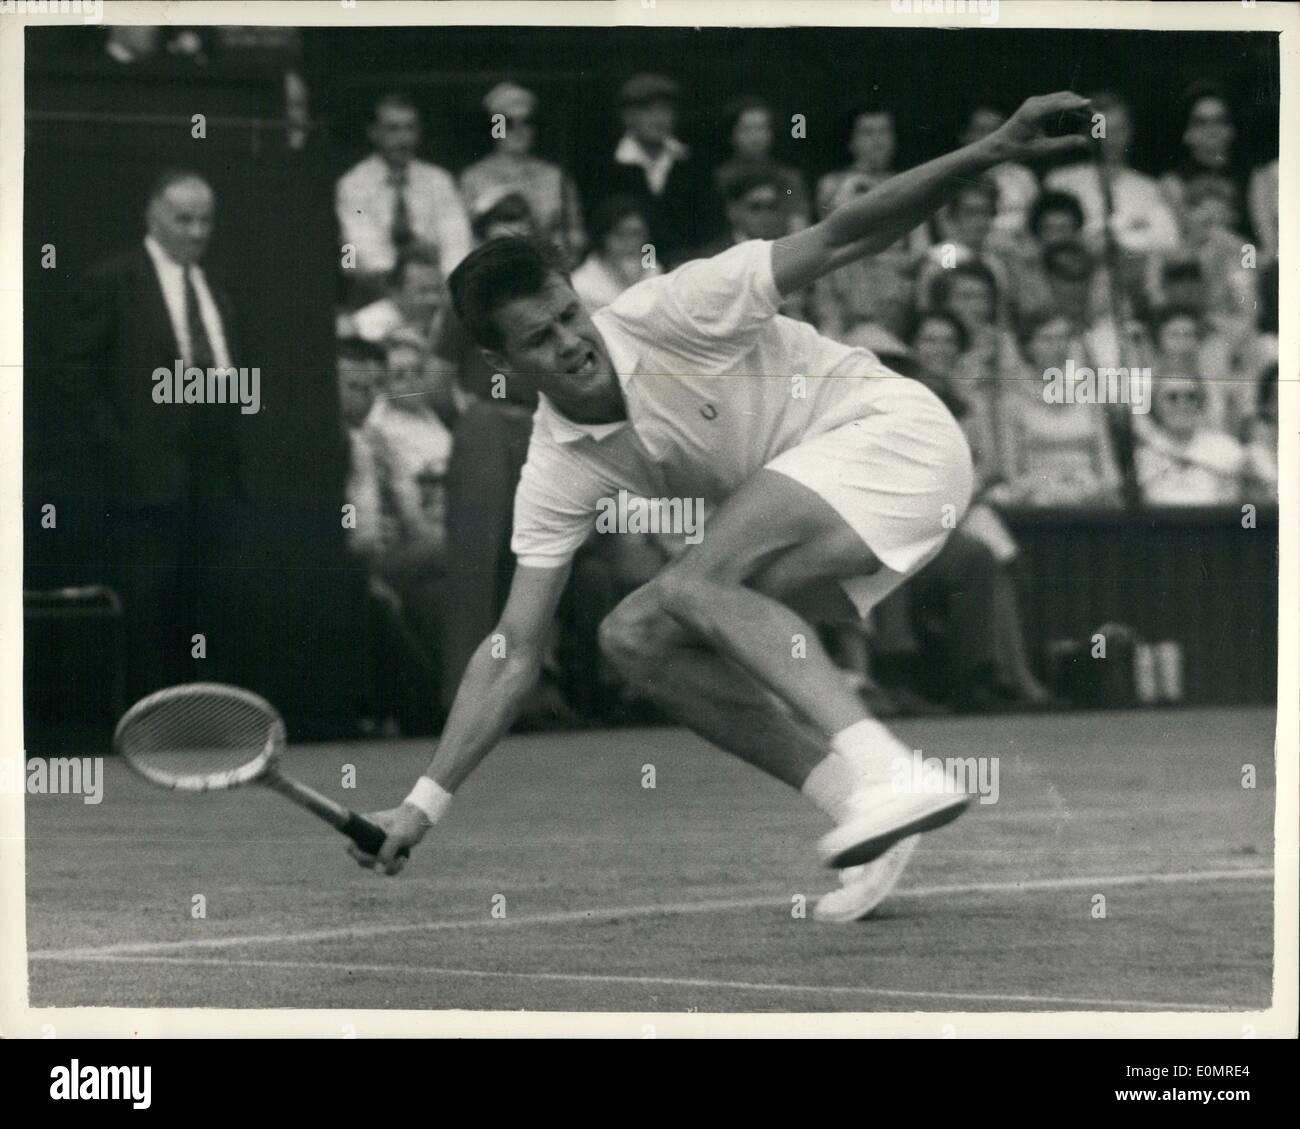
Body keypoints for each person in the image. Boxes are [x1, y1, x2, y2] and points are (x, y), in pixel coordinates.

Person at [348, 93, 1093, 923]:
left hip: (898, 433)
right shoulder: (556, 466)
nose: (571, 342)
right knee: (635, 636)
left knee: (694, 582)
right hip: (839, 499)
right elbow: (512, 649)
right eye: (539, 339)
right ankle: (864, 810)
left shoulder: (674, 306)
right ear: (502, 362)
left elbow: (849, 233)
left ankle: (890, 768)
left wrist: (989, 149)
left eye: (570, 314)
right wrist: (420, 806)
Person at [61, 169, 248, 701]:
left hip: (213, 476)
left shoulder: (216, 284)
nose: (196, 232)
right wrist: (119, 444)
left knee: (211, 604)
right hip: (143, 480)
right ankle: (146, 726)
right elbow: (74, 373)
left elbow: (233, 368)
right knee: (147, 606)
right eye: (183, 219)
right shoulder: (113, 281)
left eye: (205, 220)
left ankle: (210, 715)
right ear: (153, 217)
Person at [335, 91, 472, 300]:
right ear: (373, 133)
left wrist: (442, 290)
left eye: (410, 128)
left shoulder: (439, 180)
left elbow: (457, 245)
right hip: (375, 292)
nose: (404, 138)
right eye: (393, 129)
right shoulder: (353, 184)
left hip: (438, 291)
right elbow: (365, 253)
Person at [460, 82, 585, 263]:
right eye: (508, 123)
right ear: (495, 127)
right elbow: (465, 239)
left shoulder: (555, 177)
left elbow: (575, 235)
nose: (519, 131)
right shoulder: (472, 178)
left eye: (526, 122)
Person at [596, 73, 702, 268]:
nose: (659, 119)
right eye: (649, 111)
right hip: (630, 268)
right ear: (628, 117)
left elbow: (705, 224)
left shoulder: (689, 163)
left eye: (665, 110)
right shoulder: (608, 166)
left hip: (685, 269)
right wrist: (650, 266)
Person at [712, 96, 811, 234]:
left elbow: (798, 225)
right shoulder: (718, 179)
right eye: (747, 129)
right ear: (731, 134)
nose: (755, 137)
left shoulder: (789, 178)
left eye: (762, 128)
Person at [570, 195, 660, 312]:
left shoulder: (654, 270)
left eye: (636, 234)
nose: (630, 243)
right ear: (603, 237)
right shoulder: (581, 283)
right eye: (620, 234)